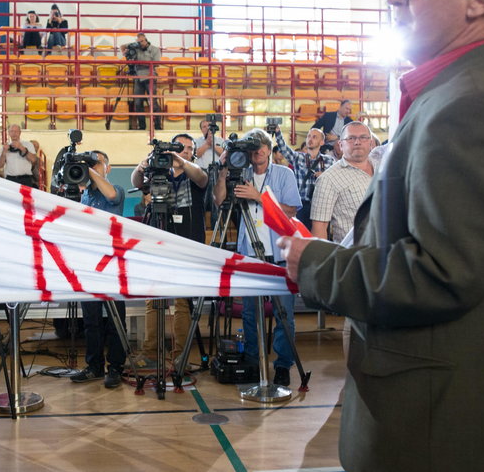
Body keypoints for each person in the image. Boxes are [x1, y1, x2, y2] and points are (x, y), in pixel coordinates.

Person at [278, 0, 484, 471]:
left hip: (435, 426)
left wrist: (314, 262)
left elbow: (439, 272)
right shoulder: (448, 97)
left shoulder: (471, 106)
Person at [213, 129, 301, 386]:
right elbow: (219, 201)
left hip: (280, 252)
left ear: (268, 148)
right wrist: (223, 170)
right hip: (249, 252)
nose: (258, 151)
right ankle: (252, 359)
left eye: (262, 146)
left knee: (284, 314)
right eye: (253, 148)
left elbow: (291, 210)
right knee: (251, 314)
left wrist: (259, 197)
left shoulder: (284, 174)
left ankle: (283, 365)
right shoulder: (241, 173)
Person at [130, 133, 208, 365]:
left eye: (187, 148)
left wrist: (181, 161)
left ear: (193, 152)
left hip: (187, 244)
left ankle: (179, 355)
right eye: (179, 147)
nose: (183, 151)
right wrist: (142, 165)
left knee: (182, 301)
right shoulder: (158, 171)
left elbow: (202, 178)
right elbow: (136, 182)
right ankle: (151, 352)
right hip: (157, 242)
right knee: (153, 299)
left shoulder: (194, 173)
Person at [70, 150, 127, 388]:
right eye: (91, 165)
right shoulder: (85, 195)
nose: (92, 167)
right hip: (88, 262)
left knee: (115, 318)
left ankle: (115, 367)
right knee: (91, 318)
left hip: (111, 262)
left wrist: (90, 169)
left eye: (98, 163)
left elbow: (111, 195)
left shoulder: (116, 191)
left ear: (108, 168)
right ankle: (94, 366)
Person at [309, 122, 374, 243]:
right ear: (340, 145)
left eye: (363, 137)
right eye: (351, 138)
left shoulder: (384, 168)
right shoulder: (328, 179)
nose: (357, 142)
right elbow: (319, 229)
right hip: (353, 256)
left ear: (371, 143)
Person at [273, 125, 336, 228]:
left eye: (314, 137)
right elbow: (284, 149)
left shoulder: (329, 161)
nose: (310, 139)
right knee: (301, 237)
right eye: (309, 136)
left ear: (322, 142)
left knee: (319, 239)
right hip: (302, 206)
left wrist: (324, 177)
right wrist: (278, 133)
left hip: (321, 206)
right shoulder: (298, 157)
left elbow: (335, 181)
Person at [119, 33, 162, 130]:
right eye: (138, 42)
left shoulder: (155, 49)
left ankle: (158, 126)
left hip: (150, 77)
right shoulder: (136, 48)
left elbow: (157, 63)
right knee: (138, 103)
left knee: (153, 103)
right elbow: (122, 47)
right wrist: (130, 46)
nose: (140, 44)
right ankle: (142, 126)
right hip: (138, 78)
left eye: (142, 41)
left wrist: (141, 63)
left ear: (146, 40)